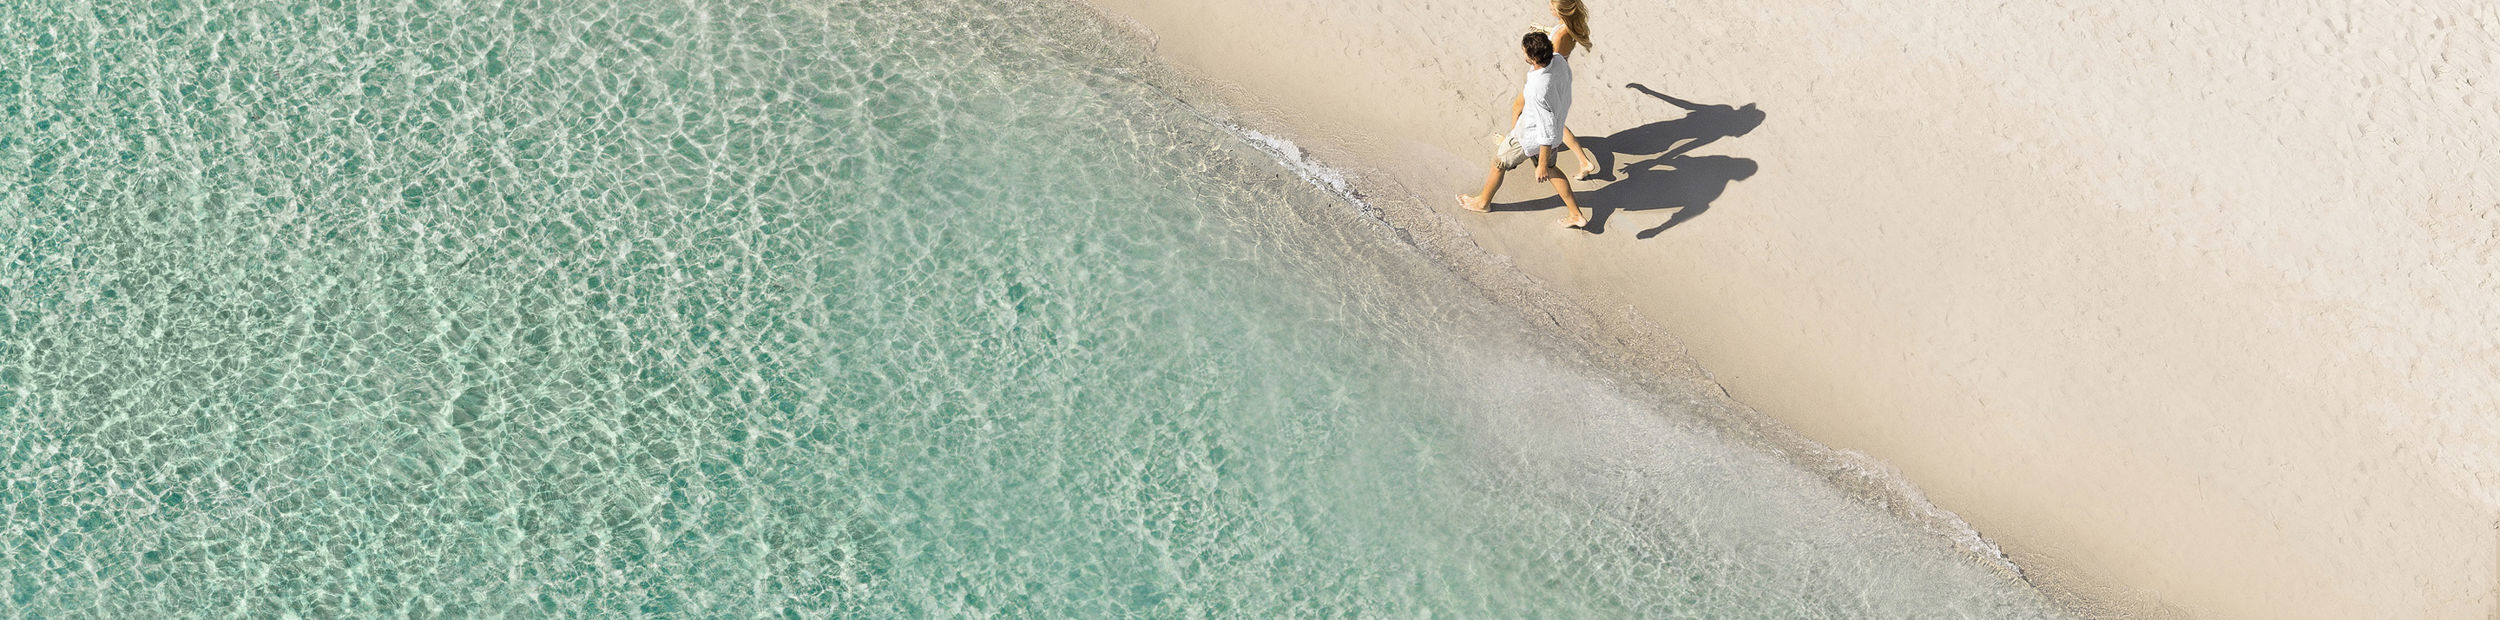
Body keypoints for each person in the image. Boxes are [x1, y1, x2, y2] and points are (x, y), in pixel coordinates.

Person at [1457, 31, 1588, 228]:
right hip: (1555, 128)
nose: (1523, 54)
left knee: (1499, 163)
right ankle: (1576, 215)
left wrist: (1541, 165)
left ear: (1533, 58)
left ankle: (1482, 203)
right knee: (1553, 170)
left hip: (1530, 137)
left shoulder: (1537, 88)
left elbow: (1545, 131)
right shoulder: (1559, 60)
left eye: (1525, 52)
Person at [1536, 0, 1601, 180]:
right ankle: (1583, 161)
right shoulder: (1566, 26)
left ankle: (1514, 143)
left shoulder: (1560, 36)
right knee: (1551, 119)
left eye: (1552, 8)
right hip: (1559, 78)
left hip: (1550, 81)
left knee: (1549, 120)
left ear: (1562, 12)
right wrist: (1544, 30)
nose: (1549, 9)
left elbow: (1549, 62)